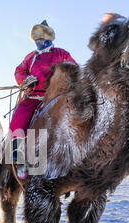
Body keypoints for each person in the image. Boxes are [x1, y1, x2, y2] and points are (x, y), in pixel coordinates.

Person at [10, 20, 77, 178]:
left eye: (39, 39)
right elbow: (19, 71)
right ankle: (19, 157)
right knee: (19, 120)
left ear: (48, 39)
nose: (37, 42)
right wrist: (25, 80)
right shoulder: (31, 57)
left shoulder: (61, 53)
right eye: (36, 40)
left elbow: (73, 69)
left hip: (56, 97)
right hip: (33, 96)